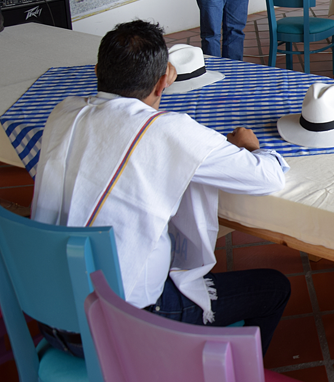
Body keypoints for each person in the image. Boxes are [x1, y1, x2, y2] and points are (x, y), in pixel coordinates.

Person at [31, 20, 291, 355]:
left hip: (49, 316)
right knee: (274, 288)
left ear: (97, 72)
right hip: (122, 326)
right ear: (164, 81)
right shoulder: (167, 130)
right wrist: (250, 147)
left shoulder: (64, 112)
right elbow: (268, 176)